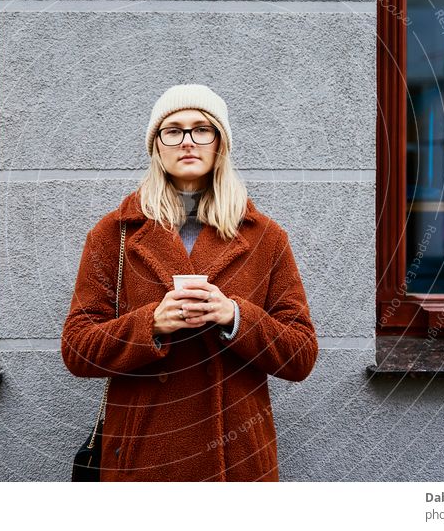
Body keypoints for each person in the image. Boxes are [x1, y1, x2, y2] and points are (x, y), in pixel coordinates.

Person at [61, 84, 318, 481]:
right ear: (156, 146)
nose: (187, 142)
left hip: (236, 463)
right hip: (143, 457)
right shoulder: (114, 234)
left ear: (220, 143)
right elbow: (78, 348)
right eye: (173, 130)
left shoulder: (265, 237)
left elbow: (301, 354)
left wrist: (234, 316)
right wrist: (151, 325)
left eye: (202, 129)